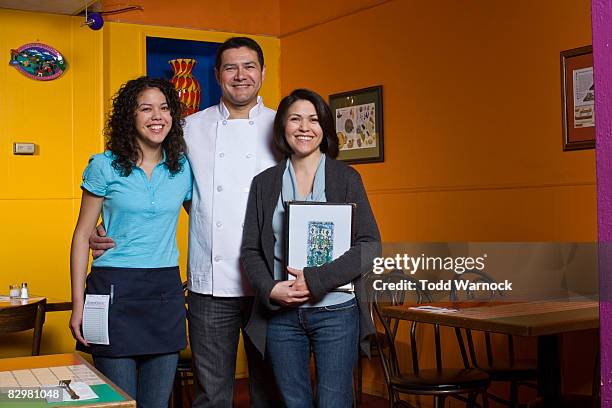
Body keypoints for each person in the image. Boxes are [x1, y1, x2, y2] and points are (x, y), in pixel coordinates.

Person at [90, 37, 280, 407]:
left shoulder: (283, 125)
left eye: (249, 66)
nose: (240, 76)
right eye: (230, 67)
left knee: (269, 389)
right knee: (211, 394)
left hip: (269, 282)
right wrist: (107, 226)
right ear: (217, 74)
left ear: (263, 72)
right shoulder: (189, 127)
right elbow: (162, 185)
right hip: (209, 283)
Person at [241, 88, 381, 407]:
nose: (305, 127)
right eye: (295, 119)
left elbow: (370, 245)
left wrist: (317, 279)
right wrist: (271, 289)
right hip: (280, 314)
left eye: (314, 119)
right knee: (292, 402)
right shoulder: (264, 183)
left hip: (336, 312)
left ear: (324, 128)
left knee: (334, 401)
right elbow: (250, 250)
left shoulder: (346, 178)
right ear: (282, 127)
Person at [69, 77, 192, 407]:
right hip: (112, 291)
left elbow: (204, 223)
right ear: (130, 117)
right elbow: (82, 235)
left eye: (164, 108)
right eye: (146, 108)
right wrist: (77, 303)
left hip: (165, 292)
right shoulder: (104, 166)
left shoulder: (183, 169)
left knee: (156, 403)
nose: (157, 116)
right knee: (118, 403)